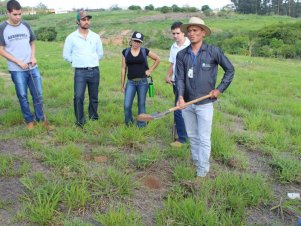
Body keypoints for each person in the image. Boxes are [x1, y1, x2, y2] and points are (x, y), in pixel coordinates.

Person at [176, 17, 234, 178]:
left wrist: (219, 89)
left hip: (205, 103)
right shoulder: (182, 55)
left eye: (195, 30)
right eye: (190, 30)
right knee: (192, 136)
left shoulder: (213, 51)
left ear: (203, 33)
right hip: (187, 103)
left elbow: (230, 70)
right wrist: (180, 97)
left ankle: (203, 169)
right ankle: (196, 162)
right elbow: (180, 78)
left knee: (203, 137)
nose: (192, 33)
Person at [0, 0, 50, 130]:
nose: (18, 17)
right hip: (17, 70)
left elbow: (32, 41)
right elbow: (1, 49)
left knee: (38, 94)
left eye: (20, 14)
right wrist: (18, 62)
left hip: (32, 67)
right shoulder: (2, 27)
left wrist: (33, 56)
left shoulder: (26, 25)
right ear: (8, 13)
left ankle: (41, 119)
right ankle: (29, 120)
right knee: (22, 96)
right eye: (15, 14)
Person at [63, 10, 104, 127]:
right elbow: (66, 55)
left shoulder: (95, 36)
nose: (86, 22)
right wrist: (77, 60)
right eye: (83, 19)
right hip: (80, 72)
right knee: (78, 96)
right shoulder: (71, 37)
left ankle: (93, 117)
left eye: (88, 19)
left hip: (94, 70)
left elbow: (100, 54)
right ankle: (80, 121)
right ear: (77, 21)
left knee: (94, 96)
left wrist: (91, 60)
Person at [121, 31, 160, 128]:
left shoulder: (144, 51)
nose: (136, 44)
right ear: (131, 41)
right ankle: (129, 123)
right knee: (127, 105)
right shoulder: (125, 52)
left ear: (141, 43)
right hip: (130, 82)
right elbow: (123, 68)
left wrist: (150, 70)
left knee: (141, 104)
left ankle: (142, 125)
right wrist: (122, 84)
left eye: (139, 42)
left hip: (143, 82)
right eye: (135, 41)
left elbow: (158, 59)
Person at [165, 21, 190, 148]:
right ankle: (186, 133)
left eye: (178, 33)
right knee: (182, 109)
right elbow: (172, 63)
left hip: (187, 83)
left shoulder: (190, 45)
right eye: (173, 33)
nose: (175, 36)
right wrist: (168, 75)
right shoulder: (173, 47)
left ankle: (182, 139)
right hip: (176, 82)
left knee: (179, 110)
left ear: (183, 33)